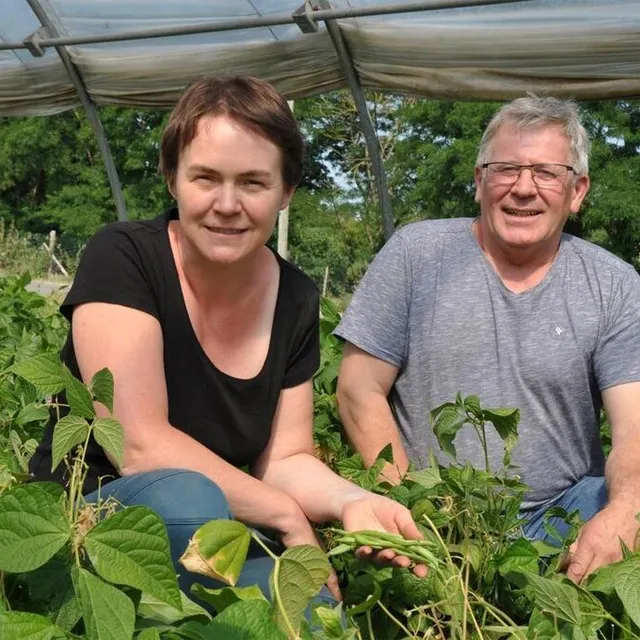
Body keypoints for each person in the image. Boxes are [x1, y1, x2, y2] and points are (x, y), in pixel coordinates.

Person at [28, 75, 425, 601]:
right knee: (186, 499)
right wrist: (283, 514)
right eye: (206, 178)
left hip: (215, 524)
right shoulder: (125, 257)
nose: (227, 203)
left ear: (286, 191)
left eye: (254, 183)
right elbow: (140, 447)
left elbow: (285, 459)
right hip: (89, 518)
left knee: (311, 606)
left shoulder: (296, 300)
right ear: (173, 179)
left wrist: (351, 500)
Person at [335, 96, 640, 585]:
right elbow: (356, 390)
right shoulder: (417, 255)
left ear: (577, 191)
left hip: (563, 513)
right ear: (479, 182)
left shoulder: (614, 284)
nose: (523, 188)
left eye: (546, 172)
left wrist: (623, 512)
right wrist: (414, 504)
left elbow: (635, 429)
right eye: (505, 169)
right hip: (433, 506)